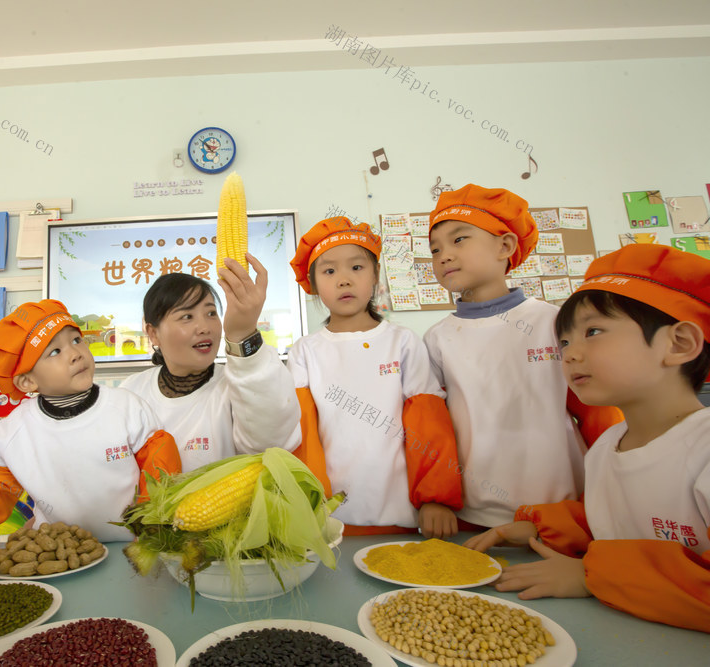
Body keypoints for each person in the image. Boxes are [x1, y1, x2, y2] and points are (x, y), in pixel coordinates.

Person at [466, 244, 710, 633]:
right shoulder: (606, 447)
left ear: (679, 343)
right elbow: (612, 522)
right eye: (564, 342)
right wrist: (541, 529)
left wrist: (591, 575)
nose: (570, 355)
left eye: (592, 332)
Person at [0, 300, 181, 571]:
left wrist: (153, 525)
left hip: (133, 550)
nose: (75, 354)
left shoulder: (127, 407)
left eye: (76, 340)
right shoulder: (9, 435)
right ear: (27, 381)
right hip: (56, 557)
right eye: (55, 351)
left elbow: (159, 468)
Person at [424, 184, 622, 530]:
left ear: (505, 246)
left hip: (563, 510)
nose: (444, 255)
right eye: (435, 248)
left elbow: (598, 412)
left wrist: (617, 482)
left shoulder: (553, 322)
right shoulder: (437, 338)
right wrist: (436, 497)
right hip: (473, 512)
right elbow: (435, 429)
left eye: (459, 239)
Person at [288, 217, 462, 538]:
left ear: (375, 274)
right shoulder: (304, 352)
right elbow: (304, 435)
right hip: (329, 519)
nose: (344, 280)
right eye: (329, 271)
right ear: (312, 284)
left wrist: (435, 498)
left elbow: (428, 423)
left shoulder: (403, 342)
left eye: (356, 268)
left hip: (402, 513)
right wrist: (310, 503)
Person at [120, 255, 300, 471]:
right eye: (187, 316)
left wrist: (244, 334)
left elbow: (271, 445)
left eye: (211, 313)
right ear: (153, 333)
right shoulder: (131, 392)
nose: (205, 327)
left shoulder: (236, 385)